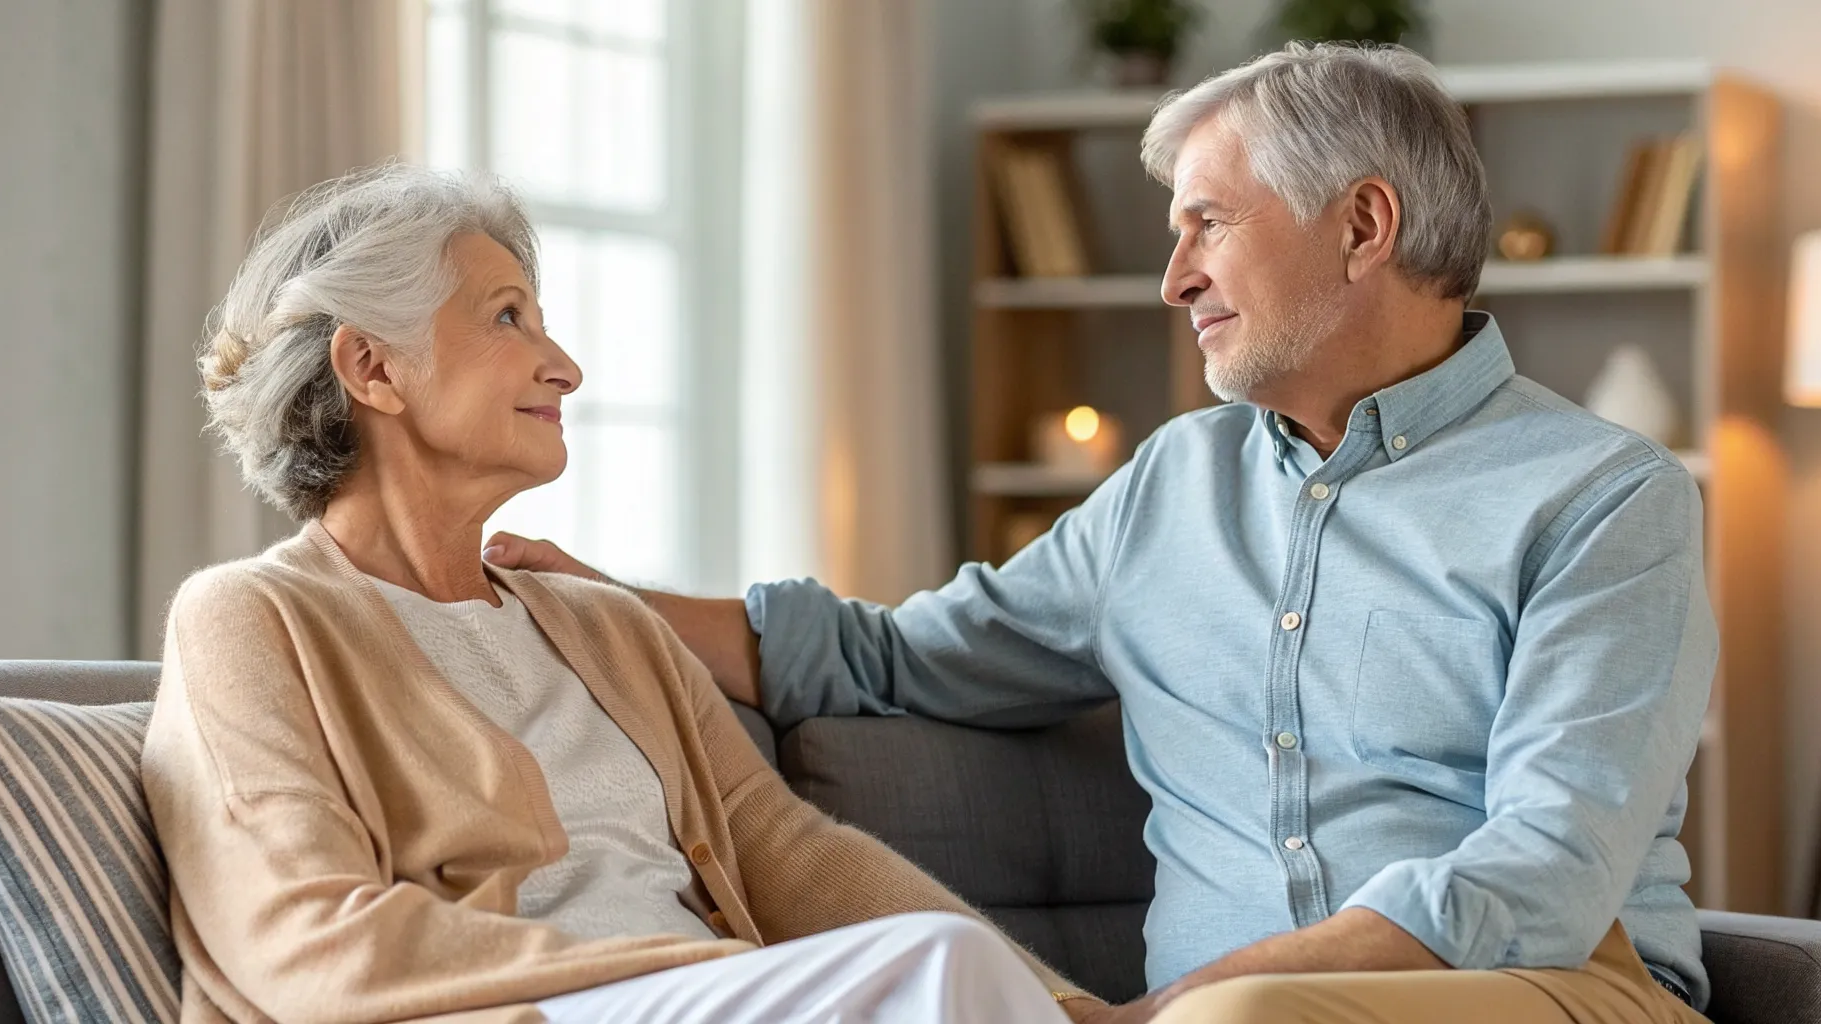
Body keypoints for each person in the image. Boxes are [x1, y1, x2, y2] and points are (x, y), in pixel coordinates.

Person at [487, 42, 1719, 1024]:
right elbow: (897, 658)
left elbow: (1545, 871)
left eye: (1206, 223)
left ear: (1361, 226)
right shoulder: (1168, 485)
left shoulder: (1604, 498)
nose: (1173, 278)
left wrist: (1199, 999)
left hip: (1555, 990)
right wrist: (599, 603)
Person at [140, 164, 1103, 1024]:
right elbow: (303, 941)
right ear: (373, 367)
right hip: (543, 1009)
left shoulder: (605, 626)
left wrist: (1064, 1004)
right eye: (508, 317)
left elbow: (792, 852)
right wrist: (683, 972)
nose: (565, 367)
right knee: (935, 971)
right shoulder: (252, 619)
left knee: (949, 966)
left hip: (702, 996)